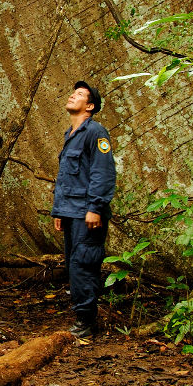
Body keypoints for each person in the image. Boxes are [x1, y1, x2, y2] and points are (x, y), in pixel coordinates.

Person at [52, 81, 116, 339]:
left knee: (84, 264)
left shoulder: (96, 132)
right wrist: (59, 211)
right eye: (73, 91)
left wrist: (96, 208)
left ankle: (87, 322)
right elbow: (67, 177)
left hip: (87, 214)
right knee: (73, 264)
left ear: (89, 106)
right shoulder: (71, 134)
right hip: (71, 212)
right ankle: (82, 316)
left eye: (79, 94)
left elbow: (103, 172)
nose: (72, 94)